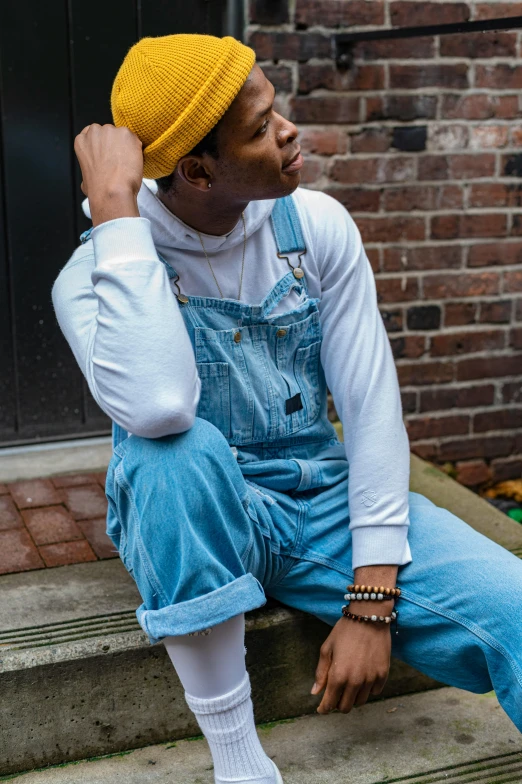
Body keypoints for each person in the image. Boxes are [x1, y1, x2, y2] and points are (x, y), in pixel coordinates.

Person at [52, 32, 522, 784]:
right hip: (207, 510)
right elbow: (161, 406)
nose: (289, 129)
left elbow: (371, 409)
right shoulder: (95, 276)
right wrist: (116, 211)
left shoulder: (316, 228)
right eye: (261, 127)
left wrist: (372, 597)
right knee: (171, 453)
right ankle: (241, 764)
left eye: (277, 110)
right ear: (197, 169)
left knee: (518, 610)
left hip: (322, 504)